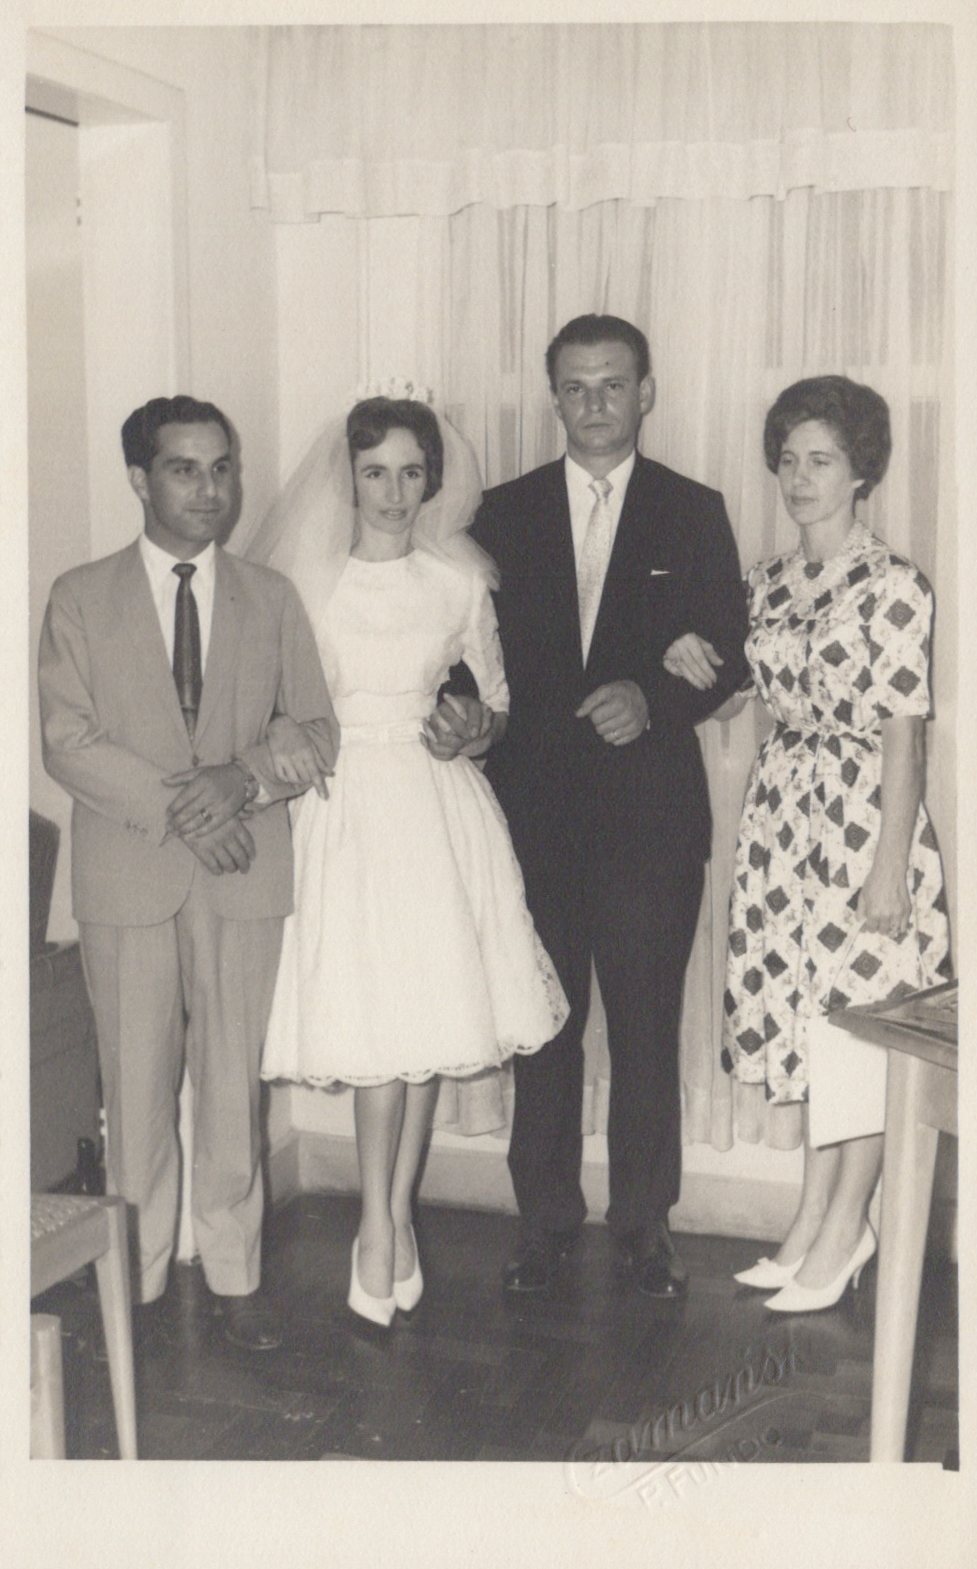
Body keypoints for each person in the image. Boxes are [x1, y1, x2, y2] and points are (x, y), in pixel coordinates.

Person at [436, 315, 750, 1297]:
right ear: (553, 397)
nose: (595, 404)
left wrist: (652, 698)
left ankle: (644, 1225)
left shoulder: (691, 510)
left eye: (613, 384)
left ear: (645, 392)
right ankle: (541, 1223)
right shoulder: (498, 513)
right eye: (575, 387)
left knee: (647, 1028)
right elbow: (462, 653)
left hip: (650, 818)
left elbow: (727, 651)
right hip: (530, 815)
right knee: (544, 1029)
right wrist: (457, 709)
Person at [251, 390, 568, 1328]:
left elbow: (497, 704)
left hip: (434, 805)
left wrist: (472, 726)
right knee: (375, 1025)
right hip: (345, 803)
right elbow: (271, 702)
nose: (393, 492)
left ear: (432, 480)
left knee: (430, 1016)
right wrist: (283, 732)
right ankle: (376, 1227)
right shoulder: (305, 582)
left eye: (410, 473)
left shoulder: (457, 579)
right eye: (376, 472)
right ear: (348, 478)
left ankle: (393, 1214)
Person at [38, 395, 339, 1351]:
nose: (210, 489)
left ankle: (235, 1269)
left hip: (243, 871)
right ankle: (135, 1277)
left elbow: (317, 730)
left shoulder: (271, 596)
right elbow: (67, 741)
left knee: (230, 1083)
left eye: (221, 468)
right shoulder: (80, 596)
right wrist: (187, 807)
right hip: (129, 876)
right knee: (134, 1087)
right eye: (184, 469)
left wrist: (238, 783)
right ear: (140, 478)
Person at [663, 375, 951, 1311]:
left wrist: (887, 867)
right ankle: (812, 1218)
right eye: (787, 459)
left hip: (862, 817)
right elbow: (737, 696)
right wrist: (687, 658)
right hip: (782, 817)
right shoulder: (765, 582)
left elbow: (904, 734)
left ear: (860, 471)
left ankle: (846, 1226)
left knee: (855, 1028)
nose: (798, 477)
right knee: (808, 1024)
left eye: (820, 460)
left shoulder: (894, 584)